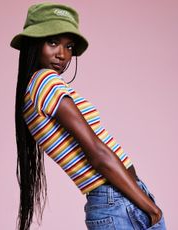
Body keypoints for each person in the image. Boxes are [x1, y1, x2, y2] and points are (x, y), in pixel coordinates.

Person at [10, 3, 166, 230]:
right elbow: (96, 152)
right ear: (34, 42)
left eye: (69, 46)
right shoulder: (46, 82)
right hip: (118, 200)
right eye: (52, 42)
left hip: (117, 200)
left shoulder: (32, 90)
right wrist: (152, 209)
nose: (62, 54)